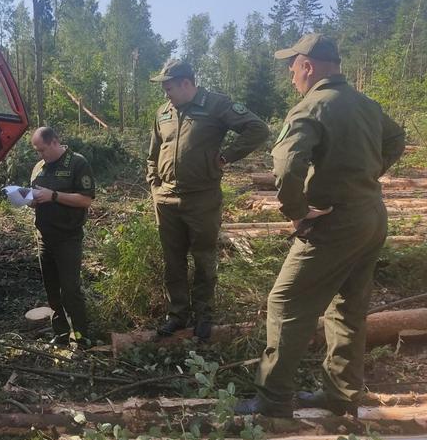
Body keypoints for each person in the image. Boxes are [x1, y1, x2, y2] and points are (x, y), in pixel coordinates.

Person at [235, 33, 406, 418]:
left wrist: (297, 211)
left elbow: (285, 165)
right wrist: (366, 174)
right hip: (371, 215)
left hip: (335, 222)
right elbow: (396, 139)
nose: (290, 75)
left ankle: (273, 399)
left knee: (286, 301)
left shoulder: (312, 106)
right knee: (349, 306)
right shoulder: (365, 104)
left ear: (308, 66)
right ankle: (341, 395)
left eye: (292, 67)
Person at [147, 59, 269, 340]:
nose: (166, 94)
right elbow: (153, 154)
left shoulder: (215, 104)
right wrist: (155, 186)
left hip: (202, 198)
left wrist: (226, 157)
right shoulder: (163, 112)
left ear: (186, 83)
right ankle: (177, 315)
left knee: (203, 257)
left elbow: (257, 129)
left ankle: (203, 314)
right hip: (166, 199)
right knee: (173, 260)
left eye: (169, 88)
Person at [29, 127, 95, 345]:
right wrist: (29, 199)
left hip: (67, 237)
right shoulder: (39, 168)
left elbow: (86, 199)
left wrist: (54, 196)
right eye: (37, 151)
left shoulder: (77, 163)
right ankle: (61, 334)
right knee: (52, 290)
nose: (40, 155)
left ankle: (81, 337)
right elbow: (35, 199)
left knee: (70, 289)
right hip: (44, 237)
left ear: (55, 142)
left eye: (42, 150)